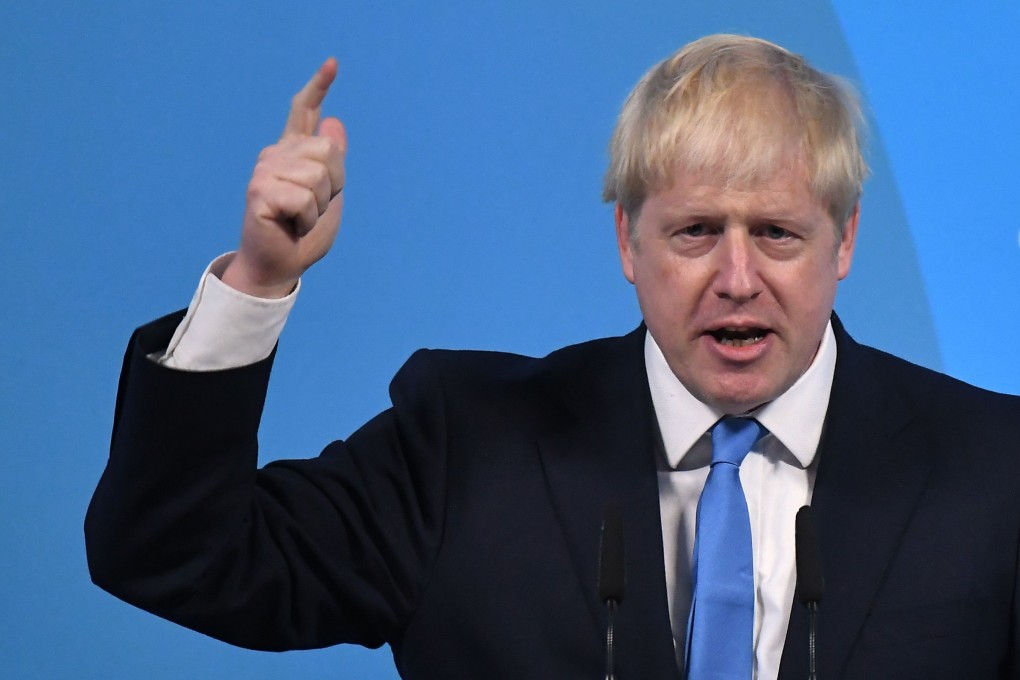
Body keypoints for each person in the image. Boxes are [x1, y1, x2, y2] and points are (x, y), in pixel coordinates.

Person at [86, 35, 1020, 679]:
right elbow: (175, 556)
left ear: (845, 242)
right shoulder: (467, 446)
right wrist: (257, 278)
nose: (738, 278)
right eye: (695, 231)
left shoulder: (995, 470)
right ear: (626, 241)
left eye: (776, 233)